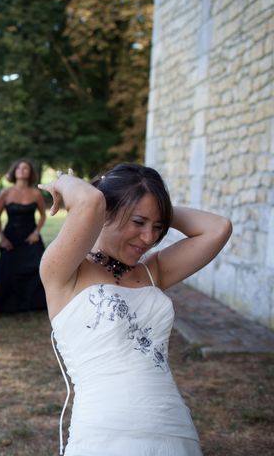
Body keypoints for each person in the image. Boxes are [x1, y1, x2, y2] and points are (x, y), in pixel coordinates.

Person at [38, 163, 232, 455]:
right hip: (105, 430)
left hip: (173, 427)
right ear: (107, 211)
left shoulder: (154, 271)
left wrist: (158, 208)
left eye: (157, 227)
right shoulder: (64, 271)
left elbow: (218, 228)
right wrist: (65, 181)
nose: (149, 238)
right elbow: (90, 201)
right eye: (138, 222)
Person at [0, 159, 47, 317]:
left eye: (25, 168)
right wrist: (2, 238)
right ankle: (7, 306)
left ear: (30, 173)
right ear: (14, 172)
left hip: (30, 237)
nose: (22, 170)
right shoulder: (5, 193)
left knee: (39, 267)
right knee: (7, 272)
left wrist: (36, 232)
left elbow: (42, 216)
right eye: (19, 168)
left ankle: (34, 304)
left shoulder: (36, 193)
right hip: (11, 238)